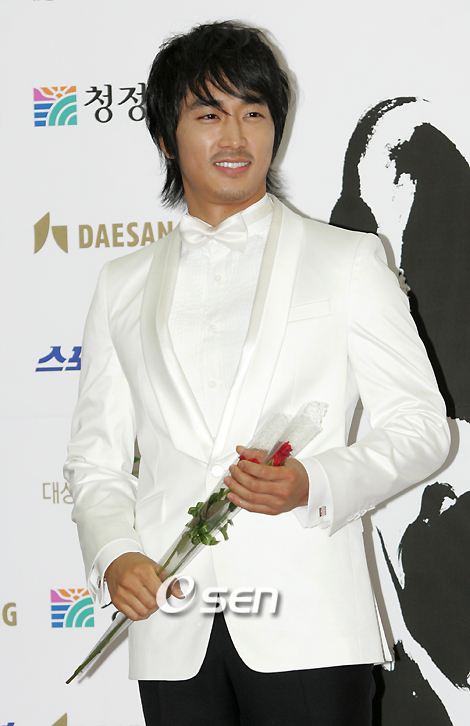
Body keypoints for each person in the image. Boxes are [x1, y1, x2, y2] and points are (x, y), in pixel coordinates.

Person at [64, 20, 450, 726]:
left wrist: (314, 482)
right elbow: (95, 459)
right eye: (209, 115)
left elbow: (423, 427)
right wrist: (116, 555)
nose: (235, 136)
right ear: (166, 136)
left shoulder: (347, 261)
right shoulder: (121, 283)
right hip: (172, 624)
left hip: (309, 626)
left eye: (253, 113)